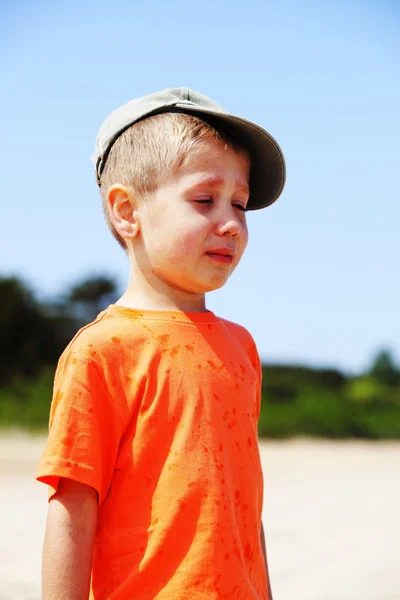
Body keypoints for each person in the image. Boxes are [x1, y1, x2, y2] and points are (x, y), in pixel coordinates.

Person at [37, 87, 286, 600]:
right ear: (127, 211)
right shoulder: (104, 350)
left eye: (240, 204)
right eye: (204, 200)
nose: (231, 223)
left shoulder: (241, 347)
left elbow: (244, 506)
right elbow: (72, 511)